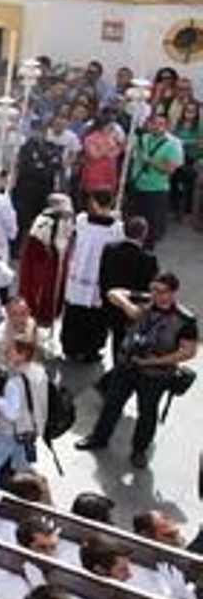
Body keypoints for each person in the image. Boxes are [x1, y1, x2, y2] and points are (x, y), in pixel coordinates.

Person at [77, 272, 198, 467]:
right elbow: (112, 293)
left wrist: (156, 361)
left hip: (155, 374)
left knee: (147, 413)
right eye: (154, 289)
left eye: (162, 291)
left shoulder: (185, 319)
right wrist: (132, 307)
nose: (157, 295)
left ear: (173, 293)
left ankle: (139, 450)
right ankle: (99, 438)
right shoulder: (145, 301)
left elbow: (189, 351)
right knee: (112, 404)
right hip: (127, 366)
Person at [61, 190, 122, 361]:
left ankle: (70, 348)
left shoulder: (81, 220)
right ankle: (90, 350)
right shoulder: (117, 228)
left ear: (95, 203)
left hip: (80, 274)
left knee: (75, 313)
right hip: (98, 278)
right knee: (95, 317)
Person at [0, 337, 49, 485]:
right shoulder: (39, 372)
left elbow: (11, 413)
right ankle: (38, 487)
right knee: (21, 465)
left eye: (11, 350)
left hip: (9, 431)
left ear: (22, 354)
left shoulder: (14, 382)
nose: (6, 352)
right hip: (31, 429)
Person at [98, 216, 159, 360]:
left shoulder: (109, 249)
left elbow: (102, 275)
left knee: (117, 337)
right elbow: (152, 287)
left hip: (111, 303)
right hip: (134, 307)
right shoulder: (149, 258)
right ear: (144, 233)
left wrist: (104, 296)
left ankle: (116, 366)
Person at [16, 193, 72, 327]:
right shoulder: (44, 221)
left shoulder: (64, 219)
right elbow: (38, 245)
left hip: (56, 260)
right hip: (45, 263)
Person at [127, 111, 184, 243]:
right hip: (138, 185)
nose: (157, 126)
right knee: (135, 219)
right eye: (154, 123)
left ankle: (148, 246)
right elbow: (129, 152)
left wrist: (150, 161)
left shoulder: (173, 144)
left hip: (156, 190)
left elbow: (170, 170)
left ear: (167, 126)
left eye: (161, 124)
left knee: (152, 225)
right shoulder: (144, 138)